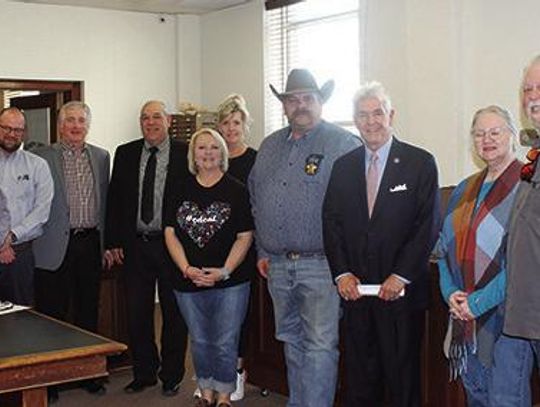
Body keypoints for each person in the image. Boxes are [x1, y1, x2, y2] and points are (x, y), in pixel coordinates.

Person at [248, 69, 360, 407]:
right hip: (278, 266)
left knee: (320, 346)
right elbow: (256, 198)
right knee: (292, 342)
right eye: (292, 99)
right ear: (284, 106)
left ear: (320, 101)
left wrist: (345, 265)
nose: (300, 106)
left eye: (308, 98)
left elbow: (355, 208)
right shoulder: (269, 146)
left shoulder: (342, 144)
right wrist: (262, 250)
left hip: (322, 266)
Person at [322, 82, 438, 407]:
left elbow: (426, 226)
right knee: (360, 380)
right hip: (356, 293)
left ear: (391, 115)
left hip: (399, 296)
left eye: (377, 113)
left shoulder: (419, 163)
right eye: (363, 115)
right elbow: (331, 223)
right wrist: (342, 273)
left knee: (402, 381)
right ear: (355, 120)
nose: (371, 122)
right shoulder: (343, 166)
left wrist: (400, 275)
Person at [436, 105, 533, 406]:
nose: (486, 139)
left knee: (506, 400)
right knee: (475, 397)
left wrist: (477, 303)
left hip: (507, 322)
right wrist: (451, 293)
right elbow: (443, 251)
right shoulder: (464, 189)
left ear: (512, 137)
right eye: (479, 134)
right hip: (465, 322)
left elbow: (523, 264)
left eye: (495, 132)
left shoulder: (528, 186)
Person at [165, 127, 254, 407]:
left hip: (231, 281)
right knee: (201, 340)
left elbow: (245, 236)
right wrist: (186, 268)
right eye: (201, 147)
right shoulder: (178, 187)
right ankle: (205, 391)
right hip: (187, 280)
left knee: (226, 340)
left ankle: (225, 394)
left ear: (223, 153)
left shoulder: (237, 190)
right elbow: (170, 233)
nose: (208, 153)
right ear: (193, 154)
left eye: (214, 147)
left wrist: (225, 270)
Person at [105, 100, 189, 397]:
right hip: (135, 246)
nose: (150, 122)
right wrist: (112, 241)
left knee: (173, 313)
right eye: (145, 118)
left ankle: (171, 374)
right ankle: (144, 372)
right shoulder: (126, 153)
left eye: (156, 117)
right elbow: (114, 200)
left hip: (172, 246)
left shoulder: (185, 152)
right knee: (137, 313)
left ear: (167, 120)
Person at [32, 101, 110, 399]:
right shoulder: (41, 156)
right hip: (53, 246)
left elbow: (105, 203)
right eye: (70, 120)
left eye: (81, 120)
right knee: (52, 315)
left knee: (88, 311)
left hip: (89, 244)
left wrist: (107, 244)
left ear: (87, 125)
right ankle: (50, 381)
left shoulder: (102, 157)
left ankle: (88, 375)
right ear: (60, 124)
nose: (76, 126)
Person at [216, 93, 257, 401]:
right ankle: (217, 370)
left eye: (236, 123)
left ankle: (238, 372)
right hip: (213, 248)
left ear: (245, 125)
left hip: (246, 247)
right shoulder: (212, 159)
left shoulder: (256, 160)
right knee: (215, 314)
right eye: (225, 123)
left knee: (240, 316)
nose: (231, 129)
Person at [505, 55, 540, 381]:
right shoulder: (535, 157)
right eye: (527, 89)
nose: (532, 96)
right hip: (527, 316)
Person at [0, 107, 53, 305]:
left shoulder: (37, 165)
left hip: (20, 254)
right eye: (6, 128)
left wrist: (12, 236)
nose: (12, 134)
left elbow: (42, 209)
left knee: (21, 317)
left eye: (18, 130)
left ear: (24, 132)